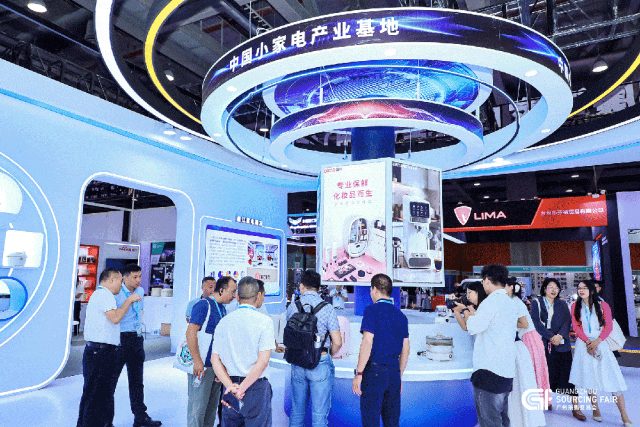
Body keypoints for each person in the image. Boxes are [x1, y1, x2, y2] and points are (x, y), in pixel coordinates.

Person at [76, 268, 141, 427]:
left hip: (98, 352)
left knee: (94, 395)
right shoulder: (105, 295)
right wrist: (129, 301)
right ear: (111, 279)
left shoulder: (99, 295)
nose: (121, 284)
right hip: (100, 353)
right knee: (97, 397)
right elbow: (115, 318)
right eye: (120, 281)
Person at [211, 277, 275, 427]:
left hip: (230, 387)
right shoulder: (265, 322)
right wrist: (242, 388)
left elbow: (215, 359)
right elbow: (263, 361)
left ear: (238, 297)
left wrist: (230, 387)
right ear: (258, 295)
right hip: (256, 388)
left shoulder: (224, 322)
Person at [569, 280, 633, 426]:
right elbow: (576, 326)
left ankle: (624, 414)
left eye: (584, 288)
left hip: (601, 343)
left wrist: (597, 342)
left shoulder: (603, 305)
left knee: (612, 379)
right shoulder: (574, 306)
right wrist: (587, 342)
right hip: (583, 345)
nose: (581, 290)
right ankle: (595, 409)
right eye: (579, 288)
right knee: (589, 378)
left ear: (592, 290)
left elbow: (608, 326)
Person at [352, 274, 410, 427]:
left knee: (371, 420)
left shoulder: (371, 310)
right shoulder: (401, 316)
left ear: (375, 289)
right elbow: (406, 349)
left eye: (371, 290)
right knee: (392, 422)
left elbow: (367, 342)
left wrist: (359, 373)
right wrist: (399, 375)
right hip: (393, 374)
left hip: (374, 373)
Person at [287, 270, 343, 427]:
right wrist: (328, 354)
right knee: (319, 416)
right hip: (320, 361)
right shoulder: (327, 308)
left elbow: (288, 334)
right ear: (318, 288)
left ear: (302, 286)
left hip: (297, 361)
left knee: (297, 412)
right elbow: (338, 342)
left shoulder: (293, 307)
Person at [464, 265, 518, 427]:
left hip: (489, 370)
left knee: (489, 420)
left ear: (487, 280)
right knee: (502, 418)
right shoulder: (509, 302)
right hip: (506, 369)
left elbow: (473, 327)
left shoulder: (490, 302)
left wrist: (467, 313)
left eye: (483, 280)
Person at [112, 264, 162, 427]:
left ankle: (140, 417)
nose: (138, 280)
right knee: (111, 381)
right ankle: (105, 420)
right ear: (124, 278)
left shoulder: (140, 291)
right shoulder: (116, 293)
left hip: (136, 338)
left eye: (140, 276)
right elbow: (113, 317)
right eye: (135, 277)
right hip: (120, 340)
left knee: (137, 380)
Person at [187, 276, 237, 427]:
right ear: (221, 290)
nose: (234, 296)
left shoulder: (222, 308)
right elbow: (190, 332)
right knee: (198, 410)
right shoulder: (204, 305)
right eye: (232, 292)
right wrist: (197, 361)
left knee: (211, 410)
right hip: (202, 366)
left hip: (215, 367)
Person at [530, 278, 584, 419]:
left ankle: (576, 408)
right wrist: (551, 337)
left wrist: (559, 336)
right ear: (544, 288)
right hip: (544, 343)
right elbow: (536, 322)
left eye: (556, 288)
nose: (554, 290)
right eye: (550, 287)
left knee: (568, 376)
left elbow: (567, 321)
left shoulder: (562, 303)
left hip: (562, 343)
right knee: (546, 374)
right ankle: (547, 401)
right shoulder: (536, 302)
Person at [505, 277, 546, 427]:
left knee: (530, 375)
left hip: (528, 339)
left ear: (511, 287)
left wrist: (505, 319)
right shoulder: (511, 301)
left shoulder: (515, 302)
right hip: (526, 338)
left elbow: (524, 323)